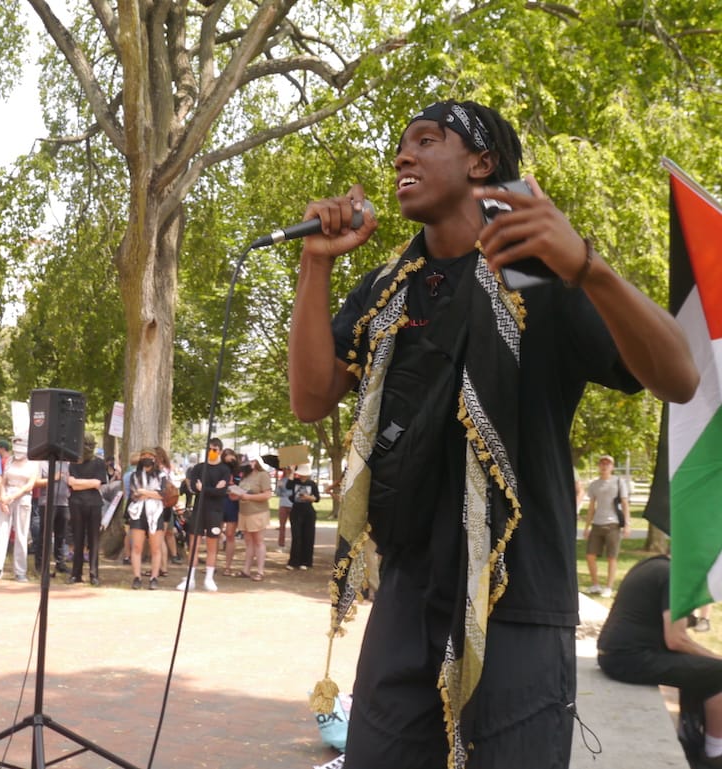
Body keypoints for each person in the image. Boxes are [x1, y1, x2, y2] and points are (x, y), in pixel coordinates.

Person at [287, 99, 698, 768]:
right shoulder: (387, 290)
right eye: (401, 144)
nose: (403, 156)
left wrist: (588, 266)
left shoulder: (541, 272)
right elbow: (310, 396)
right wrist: (317, 264)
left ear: (482, 162)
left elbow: (679, 377)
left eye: (427, 140)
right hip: (407, 596)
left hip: (518, 596)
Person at [598, 555, 722, 767]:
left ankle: (689, 738)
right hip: (629, 659)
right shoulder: (673, 577)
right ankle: (714, 753)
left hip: (616, 654)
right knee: (718, 672)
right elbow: (676, 640)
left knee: (701, 668)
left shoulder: (655, 564)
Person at [176, 437, 231, 592]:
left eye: (214, 450)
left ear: (219, 451)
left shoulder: (224, 470)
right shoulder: (199, 468)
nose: (211, 453)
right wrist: (210, 489)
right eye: (209, 449)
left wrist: (205, 489)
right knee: (194, 544)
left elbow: (221, 491)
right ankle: (190, 578)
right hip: (199, 509)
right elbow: (194, 487)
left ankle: (209, 577)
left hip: (215, 511)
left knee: (212, 544)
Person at [0, 438, 39, 582]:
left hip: (22, 498)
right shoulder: (10, 460)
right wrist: (3, 497)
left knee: (21, 535)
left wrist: (12, 497)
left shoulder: (33, 462)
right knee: (0, 533)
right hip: (6, 497)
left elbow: (30, 485)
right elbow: (3, 481)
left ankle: (20, 571)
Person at [583, 454, 631, 597]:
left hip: (613, 524)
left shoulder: (618, 482)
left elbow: (625, 503)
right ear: (599, 466)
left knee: (612, 557)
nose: (604, 466)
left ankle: (609, 587)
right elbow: (591, 507)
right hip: (597, 524)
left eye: (608, 464)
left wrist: (627, 524)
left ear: (612, 467)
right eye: (602, 463)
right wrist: (587, 527)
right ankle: (595, 584)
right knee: (590, 555)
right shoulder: (594, 484)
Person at [66, 434, 107, 586]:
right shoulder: (74, 462)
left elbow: (97, 483)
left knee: (93, 540)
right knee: (78, 538)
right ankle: (76, 573)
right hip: (76, 503)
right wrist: (84, 483)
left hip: (94, 504)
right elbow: (71, 483)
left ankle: (93, 574)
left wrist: (78, 483)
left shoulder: (99, 463)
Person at [126, 448, 167, 590]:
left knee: (156, 548)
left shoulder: (161, 475)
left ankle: (154, 577)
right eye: (144, 455)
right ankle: (137, 577)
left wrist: (145, 492)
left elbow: (162, 494)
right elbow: (134, 494)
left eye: (150, 455)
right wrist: (149, 493)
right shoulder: (134, 475)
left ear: (154, 458)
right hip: (138, 512)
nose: (147, 457)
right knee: (137, 546)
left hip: (155, 512)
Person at [232, 456, 274, 581]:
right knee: (248, 542)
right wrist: (236, 494)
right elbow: (242, 492)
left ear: (255, 462)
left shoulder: (262, 475)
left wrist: (249, 497)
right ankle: (246, 569)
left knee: (258, 541)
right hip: (244, 512)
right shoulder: (245, 476)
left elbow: (267, 494)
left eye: (250, 461)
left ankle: (260, 571)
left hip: (257, 512)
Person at [285, 464, 319, 570]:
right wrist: (291, 471)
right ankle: (294, 561)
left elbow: (317, 498)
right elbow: (287, 486)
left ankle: (306, 561)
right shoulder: (295, 482)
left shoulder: (312, 484)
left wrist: (309, 497)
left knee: (308, 536)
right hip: (296, 511)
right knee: (296, 536)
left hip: (308, 512)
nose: (303, 477)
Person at [219, 447, 241, 576]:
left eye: (231, 456)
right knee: (215, 533)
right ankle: (212, 564)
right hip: (220, 502)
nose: (229, 459)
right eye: (226, 456)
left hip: (233, 504)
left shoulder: (239, 471)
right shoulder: (220, 469)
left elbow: (243, 486)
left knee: (230, 534)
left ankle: (228, 566)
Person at [276, 467, 293, 550]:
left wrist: (286, 493)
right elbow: (278, 493)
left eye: (288, 469)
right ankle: (281, 544)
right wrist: (279, 487)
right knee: (282, 525)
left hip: (292, 504)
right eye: (285, 469)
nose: (287, 470)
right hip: (283, 504)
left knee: (294, 526)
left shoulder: (294, 480)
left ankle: (295, 543)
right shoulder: (282, 480)